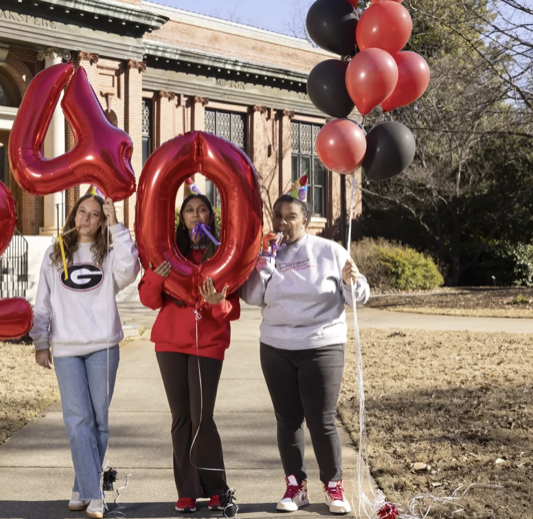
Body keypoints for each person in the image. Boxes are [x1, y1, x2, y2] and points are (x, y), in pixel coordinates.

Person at [240, 194, 369, 515]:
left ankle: (334, 486)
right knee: (288, 421)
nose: (283, 222)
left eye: (291, 216)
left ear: (306, 220)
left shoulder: (329, 251)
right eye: (278, 216)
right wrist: (264, 262)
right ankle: (295, 487)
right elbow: (252, 296)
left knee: (321, 420)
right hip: (275, 348)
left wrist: (352, 282)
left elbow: (358, 297)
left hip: (322, 346)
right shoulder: (267, 253)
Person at [31, 194, 140, 519]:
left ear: (102, 220)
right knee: (77, 420)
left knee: (98, 422)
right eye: (83, 212)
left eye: (95, 214)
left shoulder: (108, 252)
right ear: (73, 213)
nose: (87, 219)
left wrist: (118, 223)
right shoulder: (55, 252)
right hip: (66, 349)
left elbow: (130, 269)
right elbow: (42, 302)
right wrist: (40, 340)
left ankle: (82, 486)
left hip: (103, 346)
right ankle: (95, 495)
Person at [138, 193, 239, 514]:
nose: (196, 215)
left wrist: (216, 304)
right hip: (169, 344)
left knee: (202, 419)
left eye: (202, 210)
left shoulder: (224, 255)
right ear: (181, 218)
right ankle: (186, 491)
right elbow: (149, 300)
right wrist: (157, 276)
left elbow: (231, 308)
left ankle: (217, 490)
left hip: (208, 345)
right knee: (181, 419)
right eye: (190, 211)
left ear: (212, 217)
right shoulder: (168, 251)